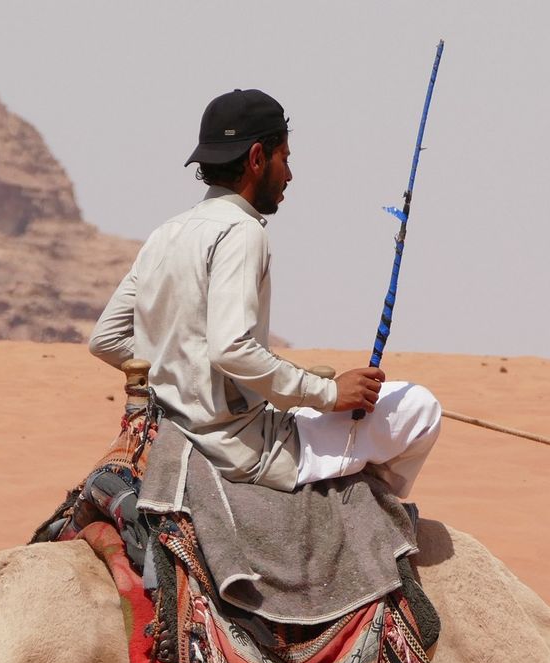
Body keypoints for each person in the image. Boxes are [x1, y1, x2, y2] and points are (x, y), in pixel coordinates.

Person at [89, 88, 441, 498]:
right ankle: (368, 507)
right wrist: (329, 393)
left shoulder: (165, 234)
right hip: (240, 448)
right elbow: (231, 349)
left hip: (169, 433)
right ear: (257, 158)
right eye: (284, 158)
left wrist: (183, 377)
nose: (289, 175)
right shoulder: (242, 231)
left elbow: (106, 339)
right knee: (419, 406)